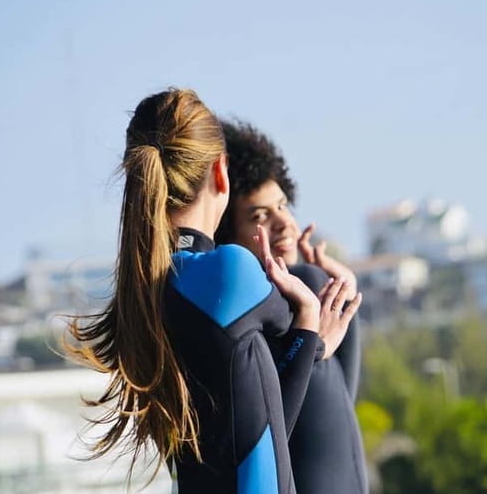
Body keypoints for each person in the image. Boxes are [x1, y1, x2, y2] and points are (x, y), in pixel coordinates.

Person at [66, 88, 359, 493]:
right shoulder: (230, 272)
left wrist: (310, 336)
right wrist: (311, 323)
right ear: (221, 172)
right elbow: (307, 320)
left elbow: (264, 425)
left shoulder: (143, 293)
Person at [215, 119, 369, 494]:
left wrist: (343, 305)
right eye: (259, 216)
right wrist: (313, 340)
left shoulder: (244, 310)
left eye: (283, 205)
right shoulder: (291, 293)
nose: (284, 223)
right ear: (228, 235)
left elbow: (340, 409)